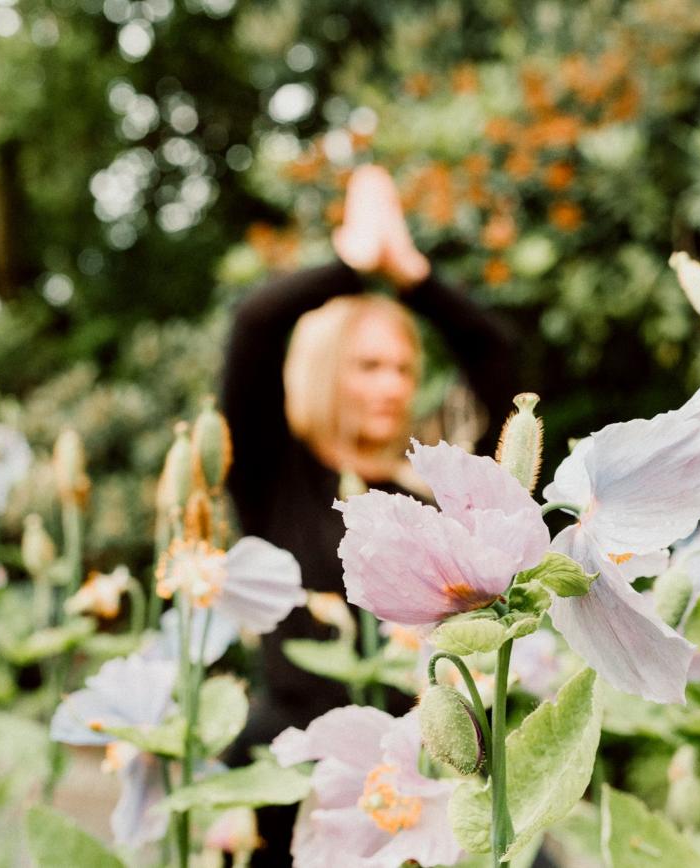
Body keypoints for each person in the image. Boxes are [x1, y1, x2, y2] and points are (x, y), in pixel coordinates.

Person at [220, 164, 518, 861]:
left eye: (404, 369)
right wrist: (354, 265)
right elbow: (256, 326)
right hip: (301, 775)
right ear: (328, 370)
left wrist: (416, 278)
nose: (391, 386)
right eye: (368, 366)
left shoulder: (430, 498)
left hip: (426, 773)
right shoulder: (275, 475)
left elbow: (497, 360)